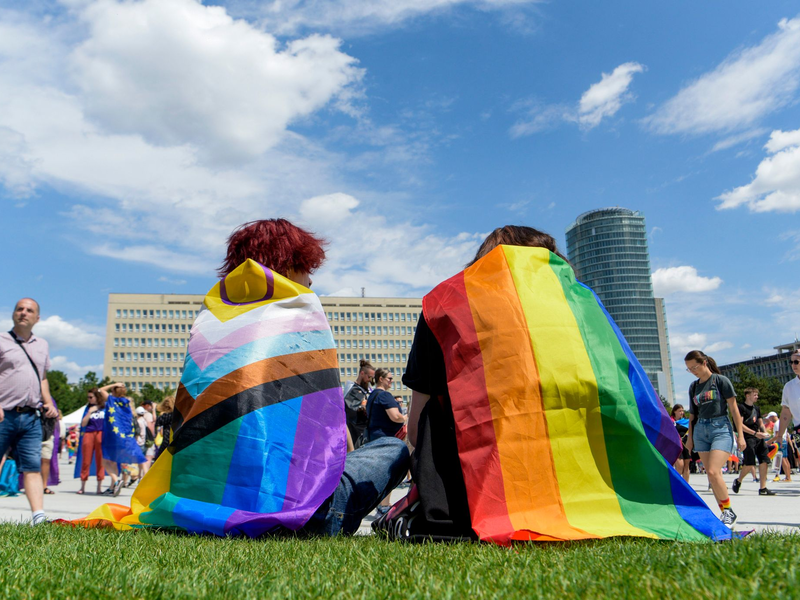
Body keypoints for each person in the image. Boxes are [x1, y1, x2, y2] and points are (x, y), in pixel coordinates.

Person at [385, 226, 733, 543]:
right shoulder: (584, 305)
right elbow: (639, 405)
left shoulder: (445, 304)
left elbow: (416, 428)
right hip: (604, 491)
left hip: (472, 499)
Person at [77, 219, 409, 536]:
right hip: (300, 517)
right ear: (291, 266)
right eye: (307, 268)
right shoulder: (302, 314)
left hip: (198, 507)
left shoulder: (212, 326)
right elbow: (329, 434)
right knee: (392, 448)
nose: (311, 281)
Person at [0, 298, 58, 525]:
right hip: (4, 413)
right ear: (14, 313)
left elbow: (42, 377)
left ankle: (38, 517)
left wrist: (49, 403)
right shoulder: (2, 340)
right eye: (20, 309)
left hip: (31, 416)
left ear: (37, 318)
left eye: (29, 310)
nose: (24, 313)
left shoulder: (42, 344)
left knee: (32, 466)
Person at [684, 350, 745, 528]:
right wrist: (689, 438)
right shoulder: (694, 387)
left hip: (721, 428)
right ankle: (725, 513)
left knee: (712, 471)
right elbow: (692, 415)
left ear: (704, 362)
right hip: (700, 430)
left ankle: (728, 511)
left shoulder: (720, 381)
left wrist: (740, 435)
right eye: (689, 369)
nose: (693, 371)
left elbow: (734, 409)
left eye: (694, 367)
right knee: (713, 476)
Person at [98, 382, 147, 496]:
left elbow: (100, 390)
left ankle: (116, 480)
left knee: (105, 461)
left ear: (114, 392)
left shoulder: (111, 400)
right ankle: (114, 486)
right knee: (119, 461)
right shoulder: (127, 403)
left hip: (112, 436)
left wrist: (114, 384)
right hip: (125, 436)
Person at [731, 388, 775, 496]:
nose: (757, 397)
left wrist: (764, 433)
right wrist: (754, 433)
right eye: (754, 395)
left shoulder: (757, 408)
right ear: (748, 396)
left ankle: (763, 488)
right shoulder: (741, 408)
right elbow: (739, 424)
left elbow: (760, 423)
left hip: (758, 437)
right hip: (747, 437)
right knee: (749, 463)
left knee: (764, 460)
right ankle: (739, 480)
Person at [772, 350, 800, 466]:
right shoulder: (789, 386)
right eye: (791, 362)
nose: (793, 365)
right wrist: (779, 436)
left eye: (796, 362)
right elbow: (785, 413)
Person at [76, 388, 105, 494]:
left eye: (91, 397)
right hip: (89, 433)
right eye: (88, 397)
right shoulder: (88, 408)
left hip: (101, 434)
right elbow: (83, 424)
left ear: (97, 397)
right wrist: (89, 412)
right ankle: (82, 486)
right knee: (86, 460)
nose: (89, 399)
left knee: (100, 461)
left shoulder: (104, 408)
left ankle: (99, 487)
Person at [343, 360, 374, 446]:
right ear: (362, 373)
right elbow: (350, 408)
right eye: (369, 377)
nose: (370, 380)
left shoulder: (367, 390)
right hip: (354, 431)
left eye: (372, 378)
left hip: (364, 430)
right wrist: (363, 407)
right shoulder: (353, 389)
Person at [670, 404, 691, 483]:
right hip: (676, 445)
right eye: (679, 411)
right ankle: (677, 483)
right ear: (674, 411)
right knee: (680, 466)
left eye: (682, 411)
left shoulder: (686, 421)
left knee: (686, 466)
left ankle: (686, 486)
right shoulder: (671, 422)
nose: (681, 412)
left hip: (686, 444)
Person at [153, 395, 175, 460]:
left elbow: (157, 423)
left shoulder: (165, 416)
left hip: (167, 441)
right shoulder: (179, 416)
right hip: (177, 442)